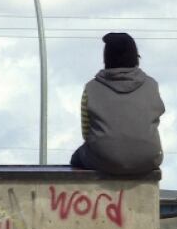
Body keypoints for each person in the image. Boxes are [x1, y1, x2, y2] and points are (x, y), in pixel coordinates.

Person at [70, 32, 165, 175]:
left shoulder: (91, 88)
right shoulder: (152, 85)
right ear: (136, 56)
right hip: (148, 159)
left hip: (104, 160)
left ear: (106, 57)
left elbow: (87, 132)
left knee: (76, 158)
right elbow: (154, 118)